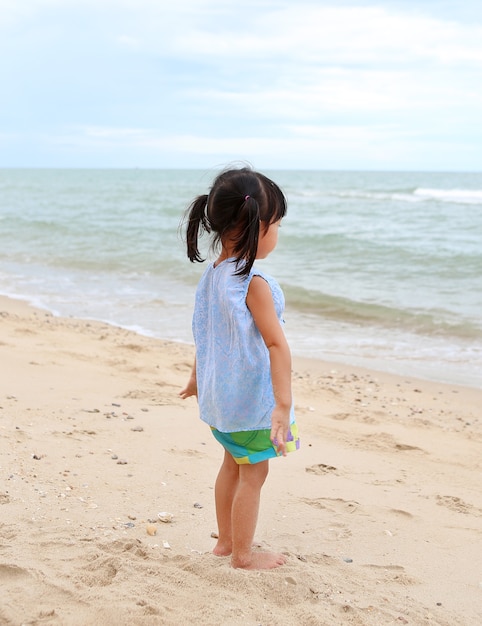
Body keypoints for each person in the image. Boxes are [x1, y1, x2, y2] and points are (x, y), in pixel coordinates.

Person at [179, 166, 299, 570]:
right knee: (254, 474)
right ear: (258, 227)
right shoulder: (254, 280)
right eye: (277, 224)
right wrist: (282, 405)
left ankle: (225, 542)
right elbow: (276, 344)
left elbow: (206, 334)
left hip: (219, 401)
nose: (278, 234)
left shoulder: (212, 275)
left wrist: (197, 378)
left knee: (232, 463)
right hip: (249, 404)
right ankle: (243, 555)